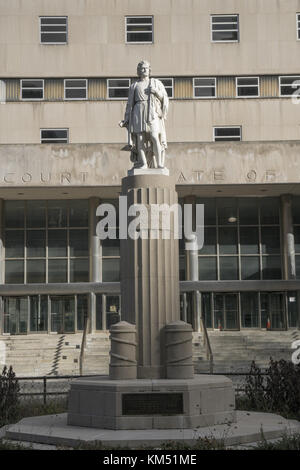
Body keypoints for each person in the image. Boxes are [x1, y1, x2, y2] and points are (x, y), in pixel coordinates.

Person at [119, 60, 169, 169]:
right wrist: (126, 120)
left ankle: (159, 163)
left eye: (146, 68)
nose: (144, 70)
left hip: (152, 111)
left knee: (155, 136)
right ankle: (143, 163)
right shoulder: (134, 86)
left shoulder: (156, 83)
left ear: (149, 70)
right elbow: (129, 105)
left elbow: (164, 98)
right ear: (138, 71)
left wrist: (155, 92)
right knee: (139, 139)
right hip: (138, 111)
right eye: (142, 68)